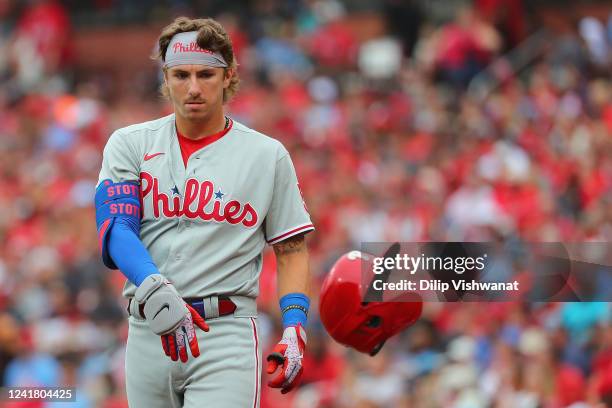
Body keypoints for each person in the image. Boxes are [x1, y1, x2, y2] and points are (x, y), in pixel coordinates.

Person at [94, 16, 314, 408]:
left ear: (228, 76)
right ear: (165, 77)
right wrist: (154, 284)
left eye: (205, 74)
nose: (193, 87)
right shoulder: (129, 143)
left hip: (225, 332)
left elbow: (292, 248)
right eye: (180, 75)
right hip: (149, 328)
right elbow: (116, 229)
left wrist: (295, 325)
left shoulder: (267, 155)